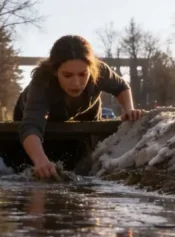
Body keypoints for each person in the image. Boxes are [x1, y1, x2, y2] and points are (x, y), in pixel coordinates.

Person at [14, 35, 143, 178]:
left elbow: (121, 87)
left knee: (87, 153)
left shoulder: (100, 71)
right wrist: (40, 161)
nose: (76, 83)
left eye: (83, 74)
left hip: (86, 110)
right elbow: (31, 125)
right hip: (36, 116)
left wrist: (129, 109)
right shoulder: (42, 83)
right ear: (55, 71)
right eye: (67, 75)